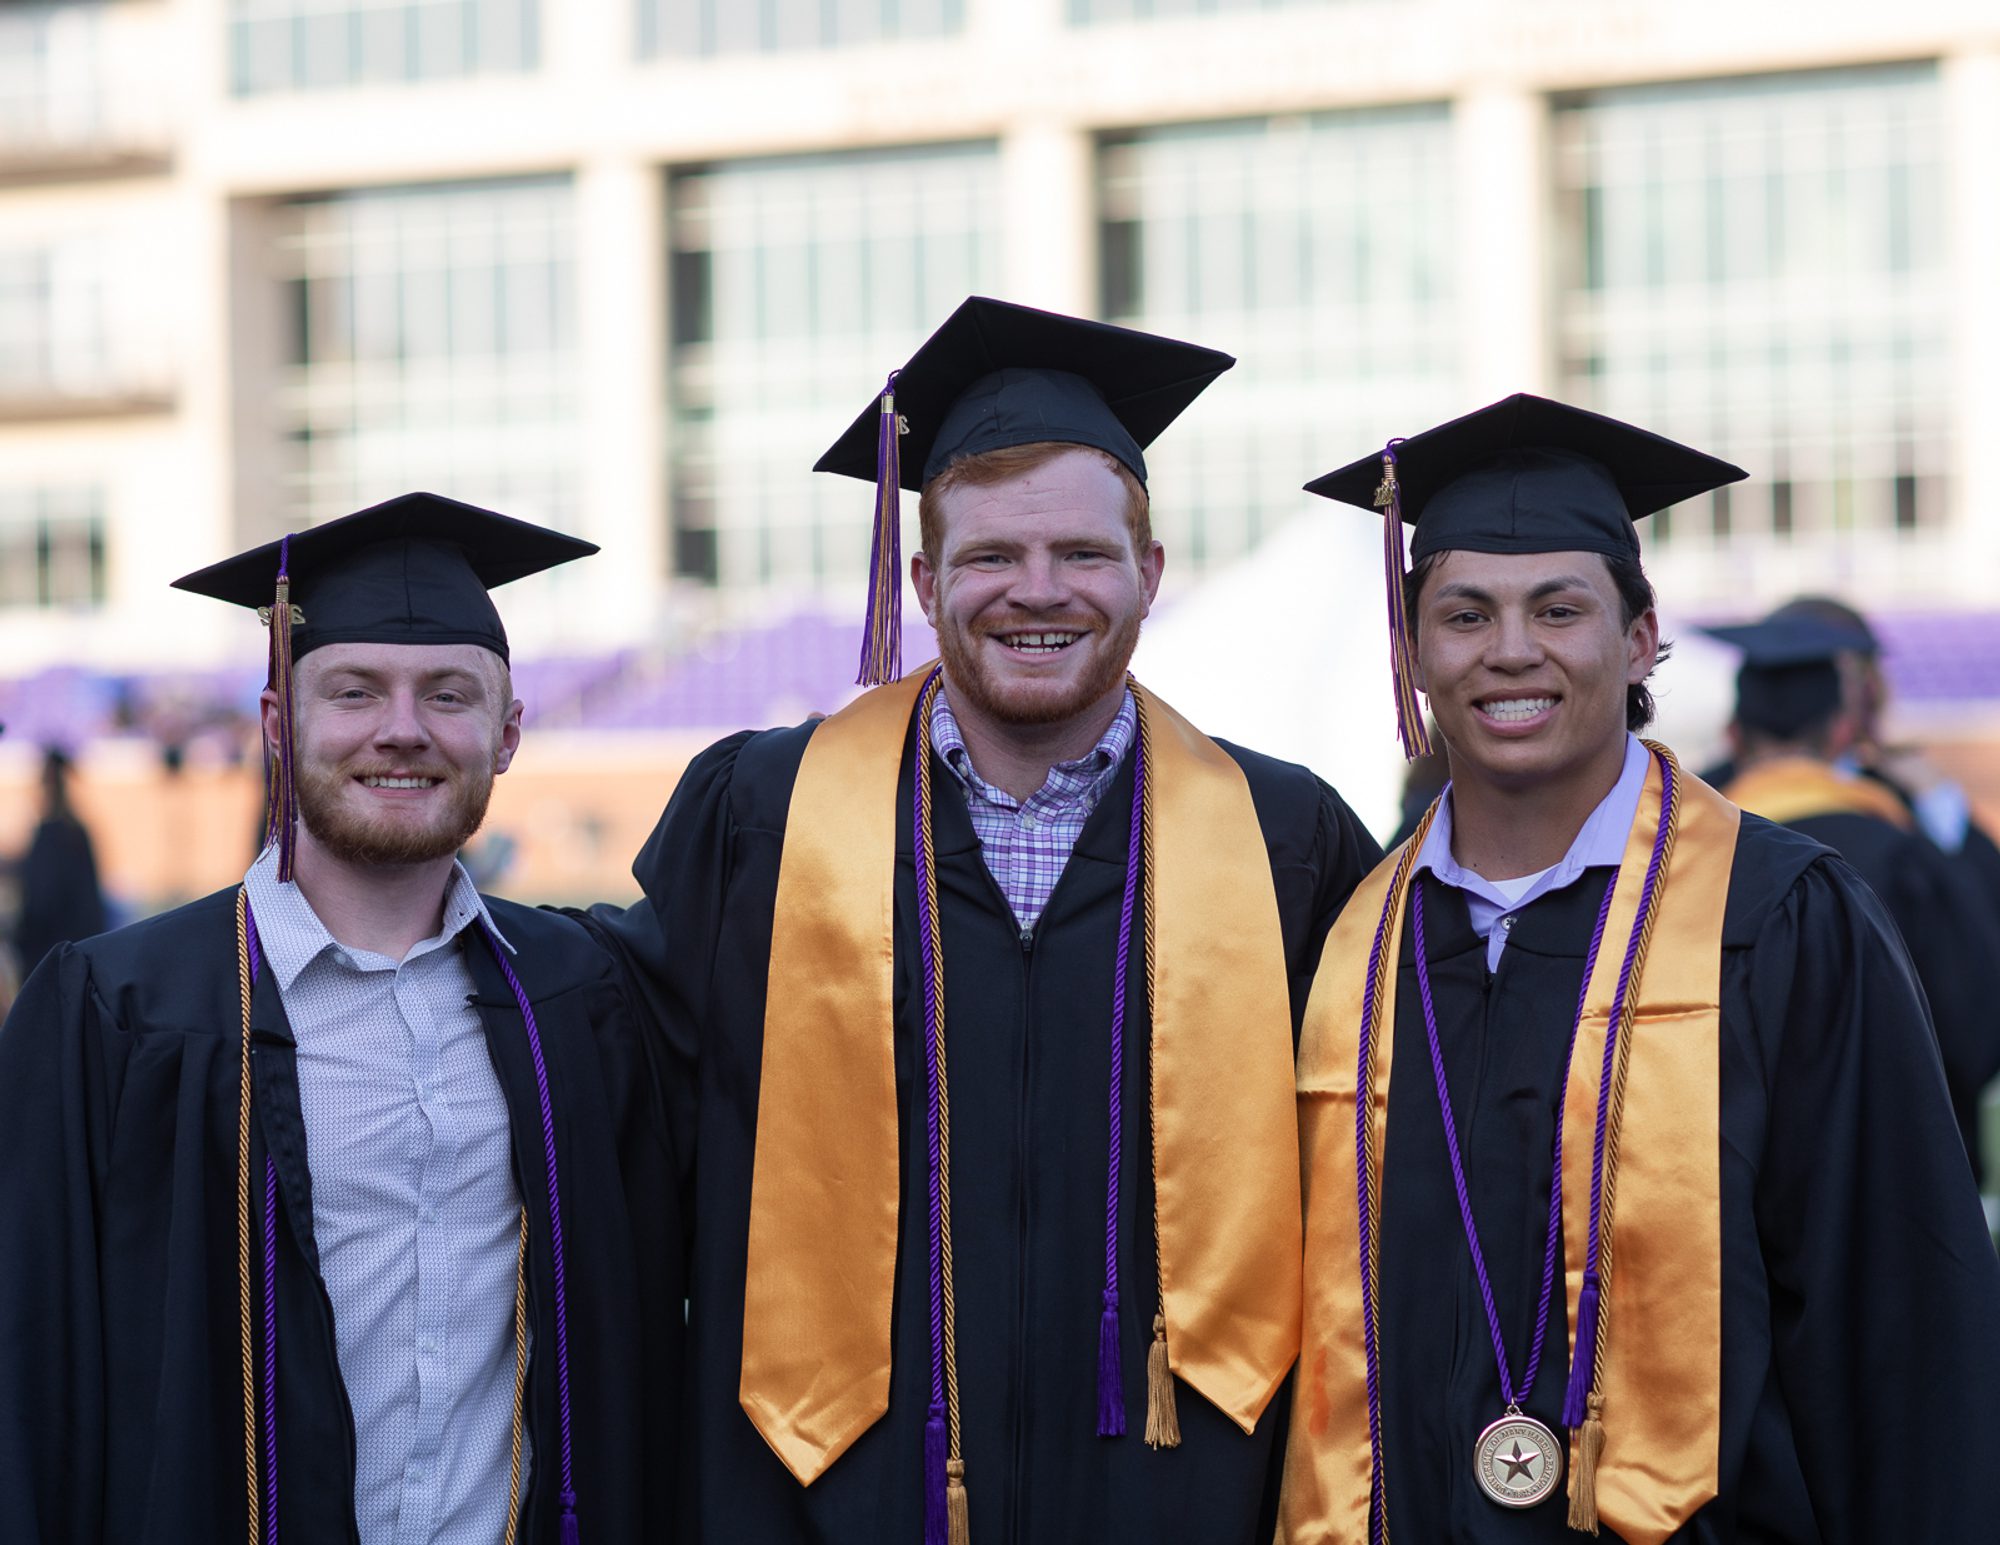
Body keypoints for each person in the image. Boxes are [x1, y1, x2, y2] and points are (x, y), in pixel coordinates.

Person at [586, 297, 1381, 1544]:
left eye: (1080, 554)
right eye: (990, 558)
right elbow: (613, 1108)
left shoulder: (1286, 841)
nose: (1036, 592)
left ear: (1149, 573)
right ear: (922, 580)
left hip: (1179, 1493)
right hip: (820, 1496)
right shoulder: (762, 818)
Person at [1279, 395, 2000, 1542]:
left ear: (1638, 638)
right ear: (1410, 651)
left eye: (1557, 609)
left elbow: (1898, 1332)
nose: (1510, 649)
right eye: (1464, 613)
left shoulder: (1777, 921)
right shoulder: (1352, 943)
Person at [0, 493, 684, 1544]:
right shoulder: (119, 1012)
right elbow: (28, 1375)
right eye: (355, 691)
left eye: (447, 696)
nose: (401, 730)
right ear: (280, 725)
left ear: (505, 735)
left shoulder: (579, 999)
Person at [1707, 612, 2000, 1185]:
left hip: (1733, 1162)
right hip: (1897, 1159)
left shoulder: (1685, 833)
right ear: (1844, 727)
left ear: (1735, 731)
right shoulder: (1901, 843)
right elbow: (1976, 1012)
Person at [11, 745, 108, 974]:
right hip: (75, 945)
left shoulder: (56, 834)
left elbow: (41, 900)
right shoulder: (74, 831)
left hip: (52, 948)